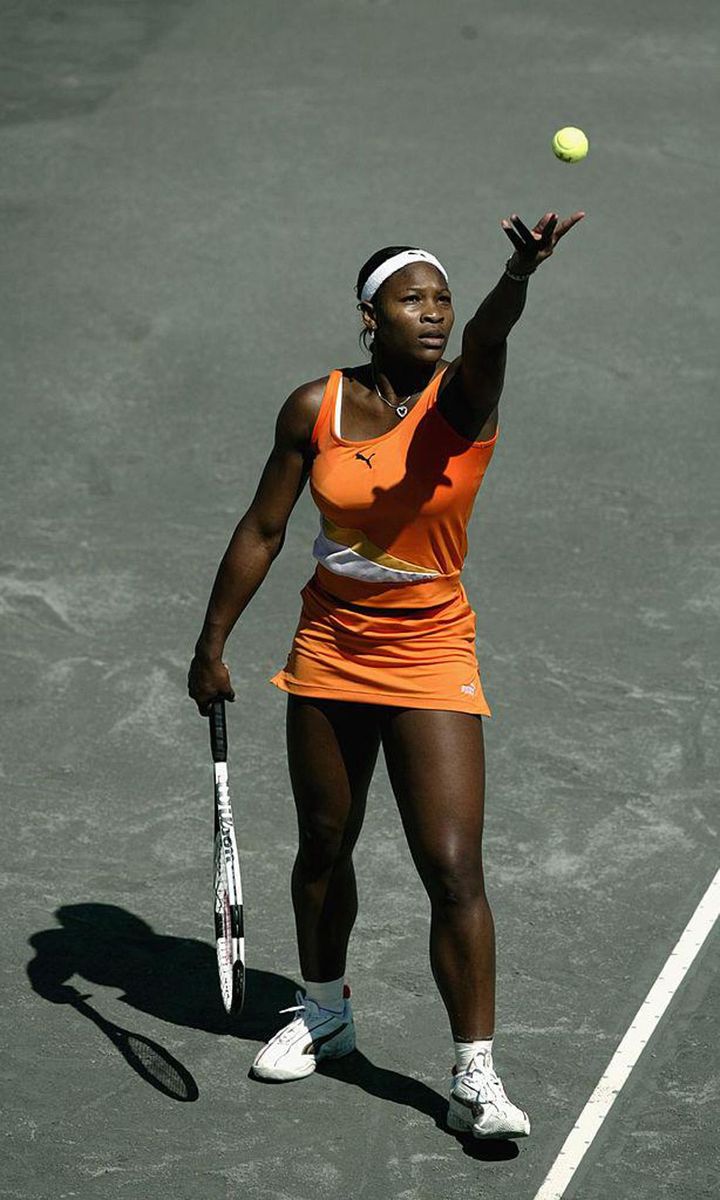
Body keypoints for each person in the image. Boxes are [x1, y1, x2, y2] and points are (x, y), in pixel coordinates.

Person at [188, 208, 585, 1140]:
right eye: (415, 300)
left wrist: (516, 276)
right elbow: (262, 529)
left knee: (451, 866)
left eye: (443, 299)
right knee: (325, 844)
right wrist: (211, 644)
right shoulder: (312, 407)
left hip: (431, 646)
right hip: (330, 644)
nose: (436, 314)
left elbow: (489, 336)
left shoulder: (463, 400)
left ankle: (474, 1078)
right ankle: (324, 1012)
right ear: (371, 316)